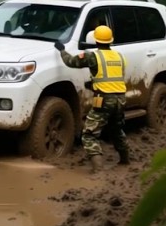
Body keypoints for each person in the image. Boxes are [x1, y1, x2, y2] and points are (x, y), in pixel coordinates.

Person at [55, 25, 130, 173]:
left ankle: (98, 168)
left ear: (95, 40)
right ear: (110, 40)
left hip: (105, 100)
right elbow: (110, 76)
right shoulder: (120, 56)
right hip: (121, 99)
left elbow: (71, 61)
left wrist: (61, 50)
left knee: (89, 134)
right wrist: (93, 84)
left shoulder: (93, 56)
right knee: (116, 130)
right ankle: (125, 159)